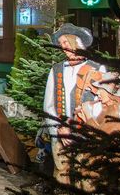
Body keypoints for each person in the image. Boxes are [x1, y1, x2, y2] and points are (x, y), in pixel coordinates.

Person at [42, 23, 104, 184]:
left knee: (87, 178)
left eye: (66, 42)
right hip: (60, 134)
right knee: (62, 175)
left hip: (86, 135)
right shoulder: (56, 70)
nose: (63, 47)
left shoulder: (97, 68)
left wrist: (80, 129)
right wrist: (59, 129)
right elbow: (48, 105)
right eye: (61, 44)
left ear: (77, 42)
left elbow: (101, 104)